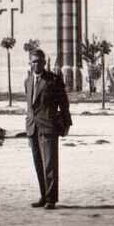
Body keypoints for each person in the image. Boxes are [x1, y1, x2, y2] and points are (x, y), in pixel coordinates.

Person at [24, 48, 72, 210]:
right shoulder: (28, 81)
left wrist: (66, 124)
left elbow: (63, 103)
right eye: (33, 62)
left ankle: (51, 199)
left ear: (44, 63)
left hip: (49, 127)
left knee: (50, 164)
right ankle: (43, 196)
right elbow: (30, 106)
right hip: (33, 128)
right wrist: (28, 124)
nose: (36, 64)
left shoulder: (53, 80)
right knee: (38, 164)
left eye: (39, 61)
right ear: (29, 63)